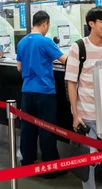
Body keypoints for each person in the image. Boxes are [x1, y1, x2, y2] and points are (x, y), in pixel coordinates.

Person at [66, 7, 102, 189]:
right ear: (91, 24)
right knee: (90, 161)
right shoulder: (79, 47)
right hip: (86, 115)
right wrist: (75, 114)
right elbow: (71, 82)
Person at [16, 11, 67, 169]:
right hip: (45, 91)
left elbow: (19, 68)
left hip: (27, 91)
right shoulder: (45, 41)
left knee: (28, 129)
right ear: (45, 24)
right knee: (47, 129)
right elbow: (65, 60)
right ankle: (50, 166)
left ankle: (27, 161)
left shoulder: (22, 42)